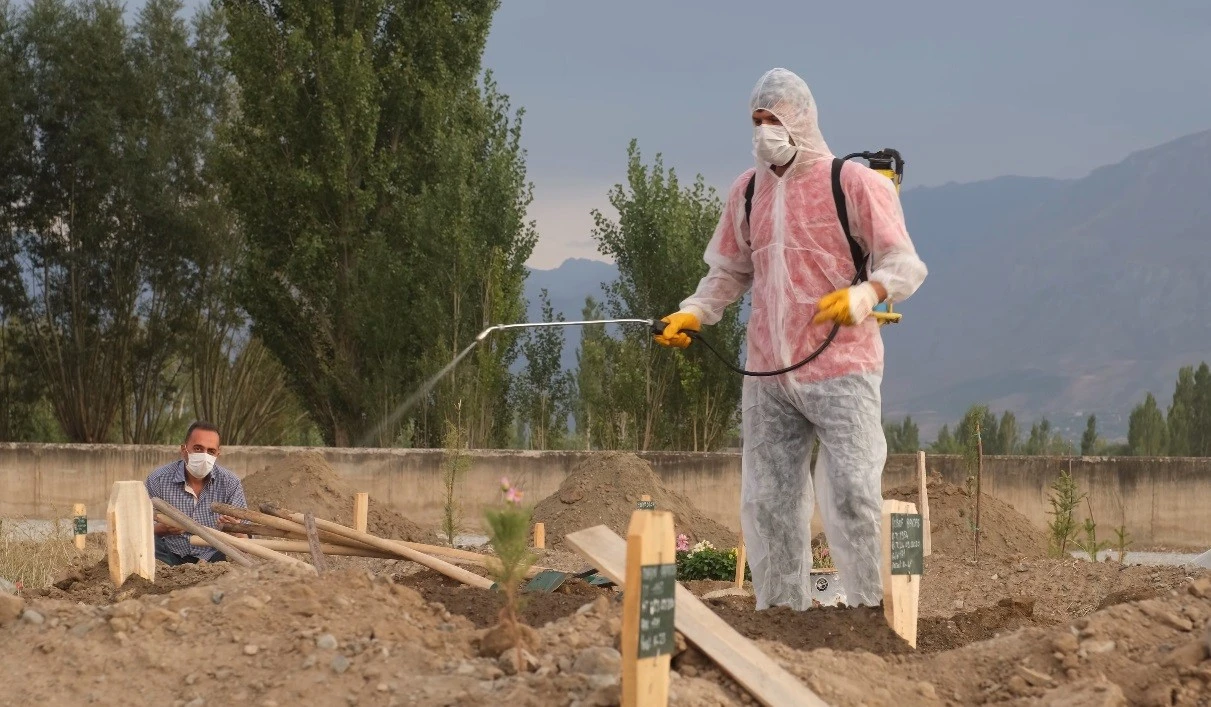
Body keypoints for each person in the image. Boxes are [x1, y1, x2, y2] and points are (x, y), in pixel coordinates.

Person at [655, 68, 928, 610]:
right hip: (769, 375)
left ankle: (875, 611)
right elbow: (729, 270)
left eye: (773, 119)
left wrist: (867, 294)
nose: (764, 132)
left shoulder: (850, 183)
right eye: (756, 121)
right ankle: (781, 614)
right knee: (768, 501)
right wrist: (694, 311)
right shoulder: (748, 191)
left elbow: (905, 262)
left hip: (842, 367)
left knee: (852, 492)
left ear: (800, 120)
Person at [145, 420, 249, 566]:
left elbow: (245, 538)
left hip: (213, 558)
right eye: (198, 449)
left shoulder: (230, 483)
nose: (204, 456)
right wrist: (163, 529)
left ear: (218, 454)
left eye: (211, 451)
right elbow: (140, 528)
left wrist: (235, 530)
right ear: (184, 450)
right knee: (146, 541)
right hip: (169, 556)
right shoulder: (158, 479)